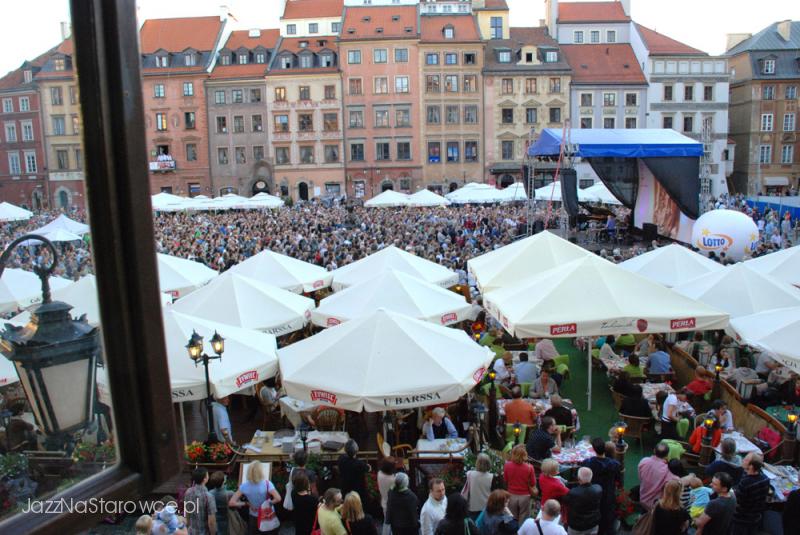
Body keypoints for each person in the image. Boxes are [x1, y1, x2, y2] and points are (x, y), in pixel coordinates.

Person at [228, 460, 282, 534]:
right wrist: (269, 503)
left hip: (254, 515)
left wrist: (247, 503)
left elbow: (231, 503)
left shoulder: (244, 486)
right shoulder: (267, 484)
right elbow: (278, 498)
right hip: (267, 514)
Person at [581, 438, 621, 535]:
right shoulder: (614, 464)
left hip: (593, 493)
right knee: (608, 516)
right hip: (608, 494)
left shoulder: (588, 462)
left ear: (594, 450)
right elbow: (618, 480)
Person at [730, 452, 770, 534]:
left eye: (746, 460)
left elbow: (738, 502)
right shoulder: (765, 478)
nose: (743, 460)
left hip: (742, 520)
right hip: (756, 518)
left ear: (751, 466)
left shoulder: (746, 483)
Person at [637, 443, 677, 510]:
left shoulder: (644, 461)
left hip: (642, 498)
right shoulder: (667, 470)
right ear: (667, 455)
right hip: (655, 505)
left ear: (654, 450)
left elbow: (640, 478)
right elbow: (677, 483)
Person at [503, 445, 536, 524]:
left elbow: (505, 480)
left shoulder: (507, 465)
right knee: (523, 517)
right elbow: (533, 483)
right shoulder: (529, 467)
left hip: (511, 494)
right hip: (524, 496)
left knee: (511, 517)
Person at [563, 467, 602, 535]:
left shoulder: (573, 492)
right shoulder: (598, 488)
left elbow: (566, 502)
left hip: (577, 526)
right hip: (593, 523)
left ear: (579, 478)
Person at [183, 468, 217, 535]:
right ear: (205, 479)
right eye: (207, 475)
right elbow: (211, 522)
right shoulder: (209, 496)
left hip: (191, 531)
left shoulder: (188, 492)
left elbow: (187, 513)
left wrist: (187, 527)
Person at [464, 452, 494, 519]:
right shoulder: (492, 477)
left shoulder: (470, 474)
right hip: (486, 508)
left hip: (473, 507)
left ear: (477, 463)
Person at [377, 458, 396, 524]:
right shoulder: (392, 479)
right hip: (392, 504)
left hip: (384, 501)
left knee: (387, 522)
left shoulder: (379, 474)